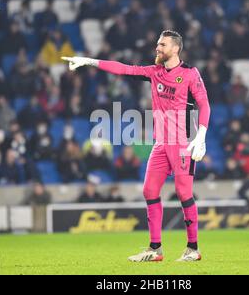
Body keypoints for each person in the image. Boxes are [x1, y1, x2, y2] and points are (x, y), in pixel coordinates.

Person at [63, 30, 211, 262]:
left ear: (175, 48)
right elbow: (123, 68)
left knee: (183, 193)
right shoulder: (154, 72)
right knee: (149, 191)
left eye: (162, 44)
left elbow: (205, 104)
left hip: (183, 142)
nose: (157, 48)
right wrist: (90, 61)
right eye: (157, 44)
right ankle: (155, 249)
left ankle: (193, 249)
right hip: (161, 143)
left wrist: (201, 135)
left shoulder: (190, 73)